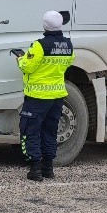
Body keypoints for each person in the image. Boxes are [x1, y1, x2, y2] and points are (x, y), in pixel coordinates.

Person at [14, 9, 75, 181]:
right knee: (50, 131)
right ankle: (48, 168)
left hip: (37, 96)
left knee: (30, 131)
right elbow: (67, 63)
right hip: (57, 96)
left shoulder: (39, 45)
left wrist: (20, 58)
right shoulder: (68, 45)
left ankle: (35, 170)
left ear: (44, 26)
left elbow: (27, 67)